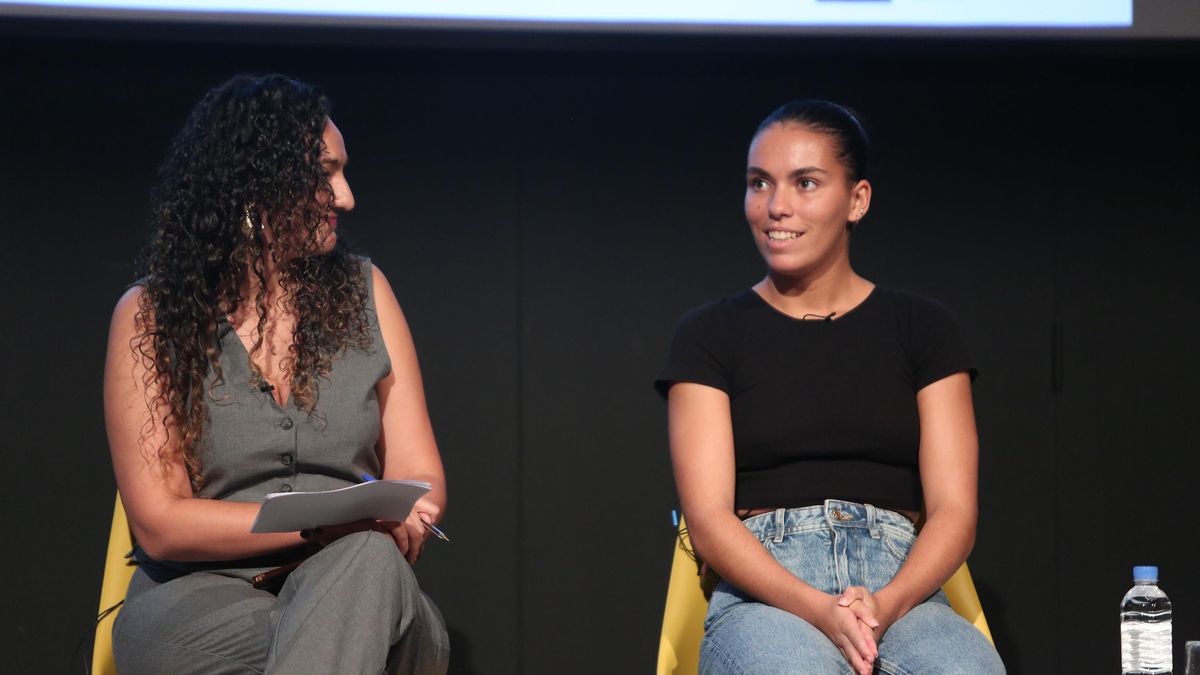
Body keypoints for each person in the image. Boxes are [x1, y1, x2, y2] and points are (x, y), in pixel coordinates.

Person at [104, 74, 450, 674]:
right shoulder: (153, 314)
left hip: (360, 579)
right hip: (200, 605)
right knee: (351, 617)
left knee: (367, 566)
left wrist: (388, 521)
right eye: (323, 175)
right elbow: (160, 524)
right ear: (255, 185)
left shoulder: (366, 291)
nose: (346, 197)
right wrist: (328, 522)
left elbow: (419, 477)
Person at [655, 100, 1005, 675]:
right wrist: (820, 609)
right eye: (759, 183)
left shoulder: (923, 328)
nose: (776, 205)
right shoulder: (708, 334)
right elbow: (710, 521)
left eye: (805, 183)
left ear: (857, 200)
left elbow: (954, 511)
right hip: (765, 595)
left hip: (902, 590)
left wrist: (885, 604)